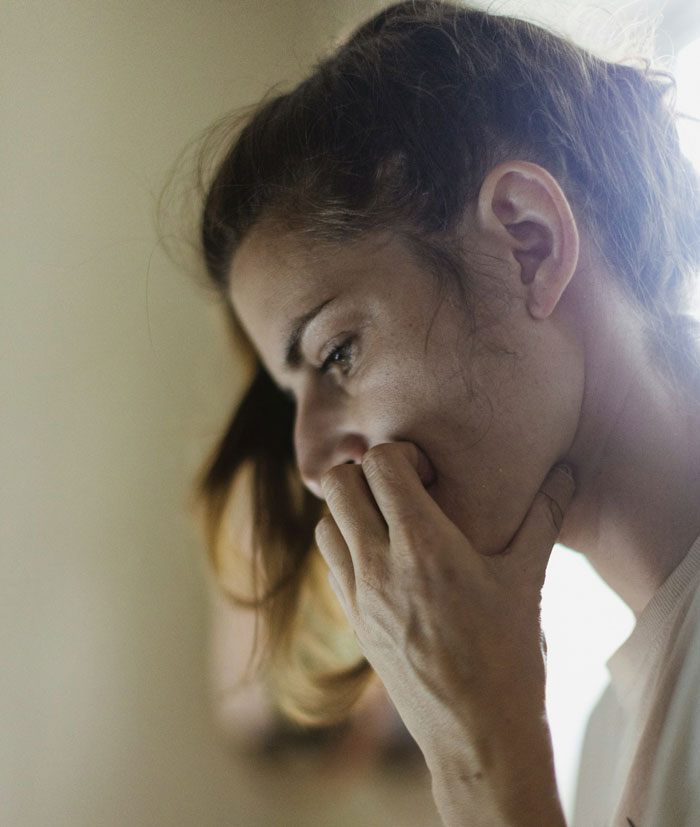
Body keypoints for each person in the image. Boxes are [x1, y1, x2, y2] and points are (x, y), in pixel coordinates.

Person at [192, 1, 700, 824]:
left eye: (337, 353)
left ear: (527, 242)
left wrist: (478, 761)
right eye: (297, 398)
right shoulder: (613, 732)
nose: (314, 458)